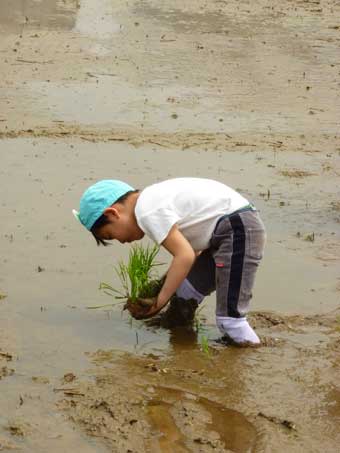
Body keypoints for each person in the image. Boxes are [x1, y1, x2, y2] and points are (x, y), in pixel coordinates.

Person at [73, 178, 266, 345]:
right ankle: (182, 338)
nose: (121, 241)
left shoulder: (146, 212)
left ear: (112, 213)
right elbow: (193, 252)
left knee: (230, 321)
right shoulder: (152, 200)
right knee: (184, 293)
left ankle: (250, 358)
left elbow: (185, 256)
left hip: (237, 231)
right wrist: (162, 285)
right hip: (224, 232)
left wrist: (159, 301)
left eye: (111, 235)